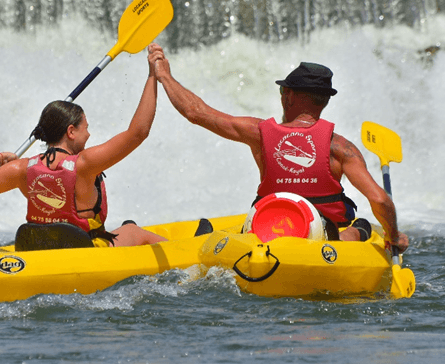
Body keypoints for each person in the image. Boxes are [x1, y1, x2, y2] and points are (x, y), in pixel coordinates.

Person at [151, 44, 408, 251]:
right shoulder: (341, 147)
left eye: (283, 90)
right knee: (359, 226)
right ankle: (353, 232)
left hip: (264, 228)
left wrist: (164, 76)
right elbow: (379, 199)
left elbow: (195, 112)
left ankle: (212, 240)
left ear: (290, 95)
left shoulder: (259, 133)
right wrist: (394, 236)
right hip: (321, 236)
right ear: (325, 101)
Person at [0, 44, 167, 248]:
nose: (89, 134)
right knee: (132, 231)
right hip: (84, 253)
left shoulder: (22, 169)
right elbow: (138, 133)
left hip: (39, 251)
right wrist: (152, 76)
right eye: (85, 128)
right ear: (71, 131)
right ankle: (186, 254)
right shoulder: (85, 164)